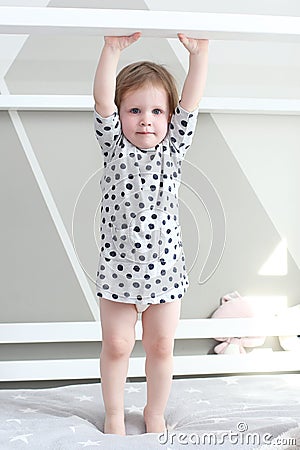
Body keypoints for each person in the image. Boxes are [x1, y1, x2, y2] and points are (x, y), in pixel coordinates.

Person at [93, 31, 208, 435]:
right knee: (118, 346)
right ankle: (113, 413)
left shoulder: (173, 149)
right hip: (119, 270)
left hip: (164, 271)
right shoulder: (114, 147)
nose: (146, 119)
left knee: (161, 346)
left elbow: (191, 103)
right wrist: (111, 50)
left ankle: (154, 411)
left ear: (169, 118)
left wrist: (199, 56)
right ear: (122, 116)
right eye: (135, 110)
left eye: (157, 112)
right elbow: (102, 101)